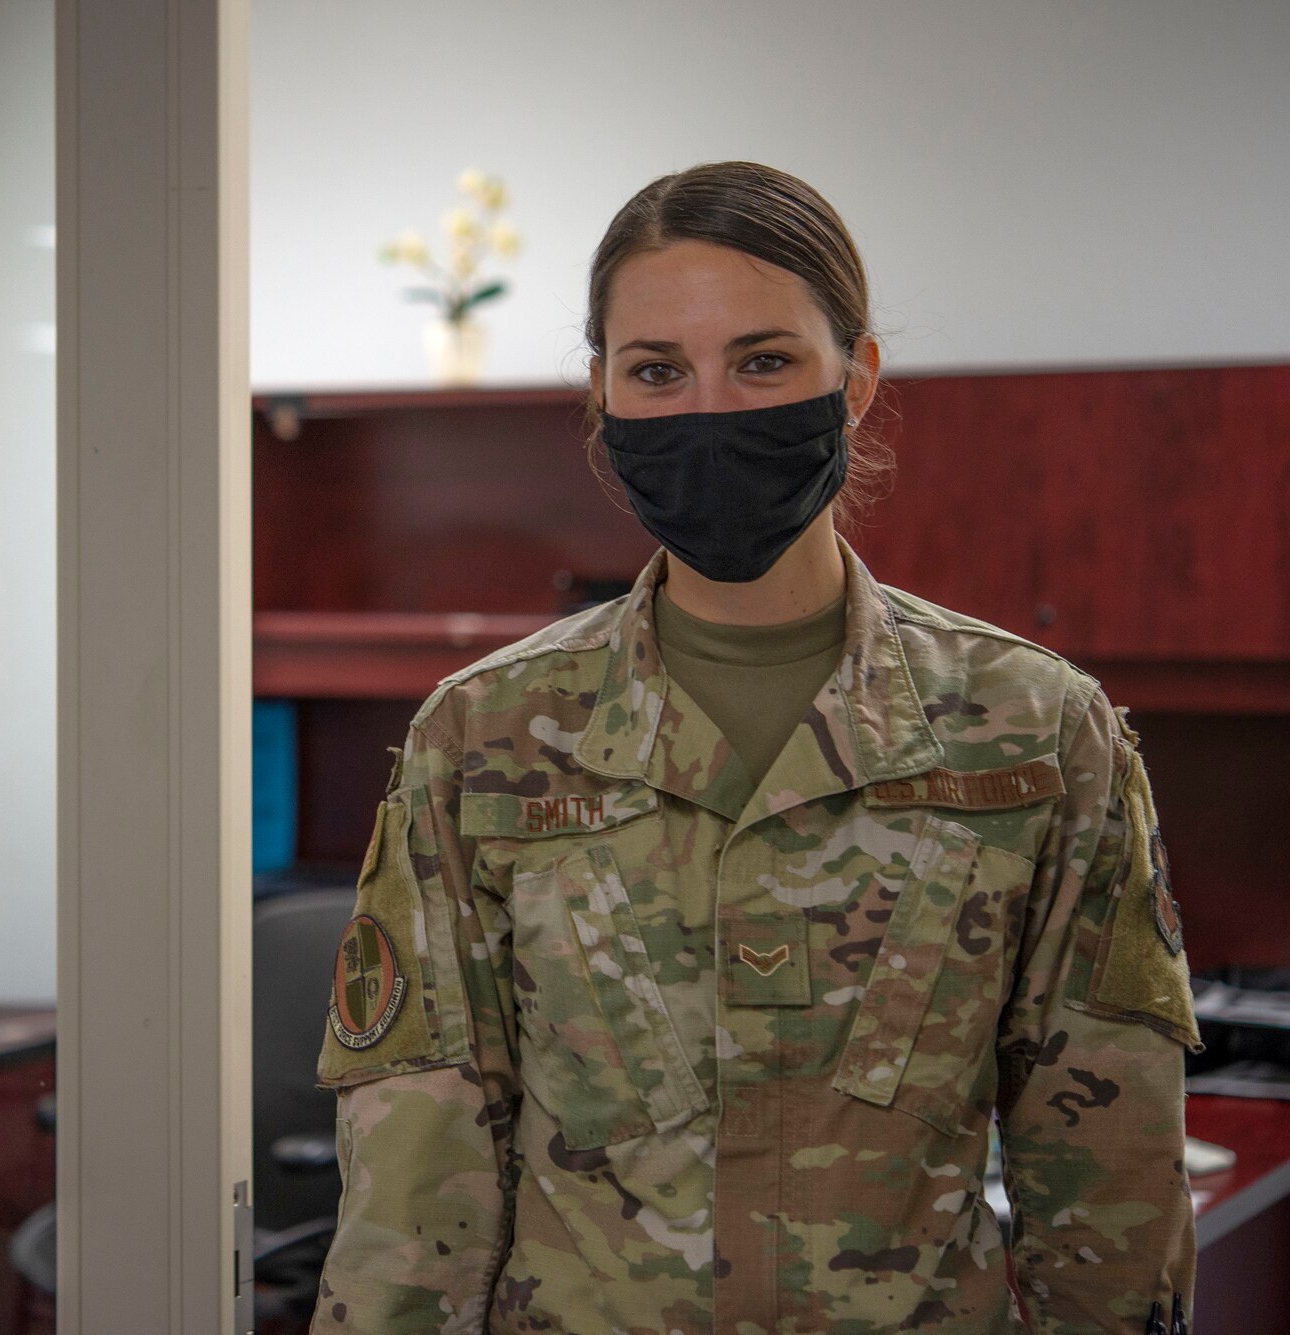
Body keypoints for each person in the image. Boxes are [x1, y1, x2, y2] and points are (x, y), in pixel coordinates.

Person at [309, 161, 1202, 1334]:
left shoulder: (1032, 731)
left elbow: (1108, 1192)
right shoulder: (485, 738)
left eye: (764, 361)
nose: (710, 410)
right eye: (656, 371)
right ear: (600, 395)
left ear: (857, 378)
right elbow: (416, 1187)